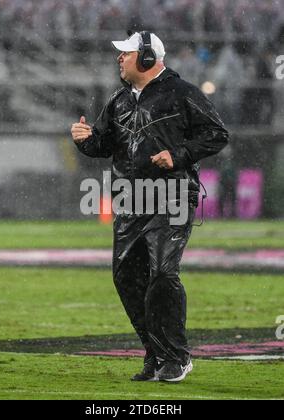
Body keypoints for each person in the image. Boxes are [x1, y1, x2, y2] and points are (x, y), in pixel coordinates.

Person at [71, 31, 229, 382]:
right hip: (130, 200)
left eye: (125, 53)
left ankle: (176, 357)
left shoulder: (183, 93)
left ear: (146, 58)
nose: (119, 59)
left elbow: (217, 133)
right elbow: (104, 143)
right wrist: (86, 141)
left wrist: (178, 155)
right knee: (127, 277)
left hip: (172, 195)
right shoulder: (118, 100)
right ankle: (155, 354)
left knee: (162, 272)